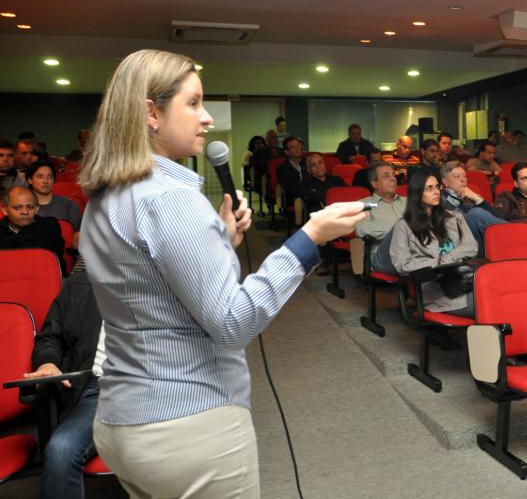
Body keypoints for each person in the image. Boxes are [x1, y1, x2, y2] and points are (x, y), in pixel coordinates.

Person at [78, 49, 367, 498]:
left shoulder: (105, 196)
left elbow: (150, 290)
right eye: (193, 103)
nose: (207, 117)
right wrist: (309, 238)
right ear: (150, 113)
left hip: (123, 422)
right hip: (188, 424)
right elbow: (233, 322)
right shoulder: (170, 198)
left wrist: (220, 243)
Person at [24, 258, 104, 499]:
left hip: (161, 388)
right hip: (98, 391)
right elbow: (51, 337)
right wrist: (48, 363)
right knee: (61, 450)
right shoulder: (81, 284)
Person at [389, 171, 477, 317]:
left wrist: (447, 259)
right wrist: (437, 262)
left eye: (437, 187)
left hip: (463, 279)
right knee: (490, 304)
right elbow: (402, 265)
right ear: (417, 193)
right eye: (429, 188)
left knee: (503, 295)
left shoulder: (454, 217)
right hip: (435, 288)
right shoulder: (404, 226)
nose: (436, 191)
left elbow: (471, 247)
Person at [440, 161, 506, 255]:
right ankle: (521, 234)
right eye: (457, 177)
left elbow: (499, 218)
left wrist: (478, 199)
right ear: (445, 181)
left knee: (476, 213)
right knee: (475, 213)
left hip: (484, 241)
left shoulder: (469, 195)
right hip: (462, 244)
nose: (463, 180)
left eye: (464, 176)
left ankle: (517, 235)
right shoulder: (440, 200)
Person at [356, 161, 404, 275]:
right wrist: (400, 229)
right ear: (374, 183)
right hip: (384, 256)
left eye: (394, 175)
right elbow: (361, 229)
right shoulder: (364, 204)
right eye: (386, 176)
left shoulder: (408, 201)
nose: (393, 179)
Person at [0, 186, 66, 269]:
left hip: (45, 277)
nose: (25, 212)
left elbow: (44, 256)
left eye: (30, 207)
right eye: (17, 208)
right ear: (4, 210)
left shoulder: (50, 225)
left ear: (37, 209)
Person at [28, 160, 82, 244]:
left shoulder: (69, 205)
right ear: (30, 180)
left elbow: (77, 236)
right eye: (40, 177)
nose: (45, 181)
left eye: (50, 177)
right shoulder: (23, 207)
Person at [276, 136, 307, 204]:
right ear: (286, 152)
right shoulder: (282, 169)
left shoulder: (308, 163)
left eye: (298, 145)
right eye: (293, 147)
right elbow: (290, 189)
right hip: (294, 200)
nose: (297, 149)